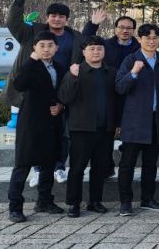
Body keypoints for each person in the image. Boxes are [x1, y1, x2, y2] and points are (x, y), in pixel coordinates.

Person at [1, 0, 81, 187]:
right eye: (53, 15)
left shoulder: (73, 37)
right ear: (47, 17)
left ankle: (58, 168)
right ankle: (36, 170)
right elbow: (13, 24)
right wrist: (19, 0)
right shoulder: (33, 32)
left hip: (58, 94)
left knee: (60, 135)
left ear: (66, 19)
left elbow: (88, 43)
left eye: (61, 16)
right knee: (32, 140)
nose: (57, 19)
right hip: (32, 98)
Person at [115, 24, 159, 216]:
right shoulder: (131, 60)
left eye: (155, 37)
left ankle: (147, 198)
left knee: (151, 163)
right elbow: (120, 88)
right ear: (139, 39)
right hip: (135, 121)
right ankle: (125, 201)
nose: (152, 40)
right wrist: (133, 73)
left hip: (158, 120)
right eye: (147, 37)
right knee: (127, 164)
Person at [7, 31, 67, 223]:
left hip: (52, 122)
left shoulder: (59, 66)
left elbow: (64, 92)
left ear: (56, 48)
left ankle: (44, 201)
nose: (46, 49)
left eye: (50, 45)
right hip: (31, 123)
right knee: (23, 165)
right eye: (42, 45)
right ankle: (15, 206)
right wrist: (32, 61)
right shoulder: (30, 66)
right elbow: (19, 84)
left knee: (48, 163)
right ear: (34, 47)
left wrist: (61, 105)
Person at [58, 36, 120, 217]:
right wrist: (72, 76)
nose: (96, 52)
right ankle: (74, 203)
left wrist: (116, 123)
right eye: (91, 49)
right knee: (77, 168)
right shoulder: (76, 71)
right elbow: (64, 97)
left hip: (105, 128)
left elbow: (117, 100)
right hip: (81, 128)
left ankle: (95, 201)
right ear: (84, 52)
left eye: (99, 49)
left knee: (100, 167)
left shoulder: (111, 72)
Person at [82, 10, 141, 179]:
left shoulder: (139, 48)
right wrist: (93, 24)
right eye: (121, 27)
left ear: (133, 30)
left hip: (131, 95)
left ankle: (125, 159)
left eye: (129, 28)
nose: (125, 30)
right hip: (108, 95)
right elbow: (85, 42)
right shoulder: (105, 45)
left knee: (128, 130)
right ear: (115, 29)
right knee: (107, 133)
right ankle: (106, 167)